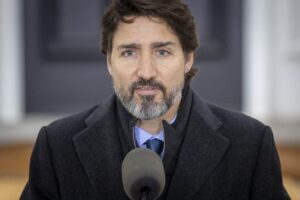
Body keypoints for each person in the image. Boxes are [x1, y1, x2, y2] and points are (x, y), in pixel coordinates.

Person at [21, 0, 290, 199]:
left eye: (162, 52)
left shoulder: (251, 144)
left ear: (188, 58)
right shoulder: (57, 146)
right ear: (109, 62)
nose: (146, 72)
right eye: (129, 52)